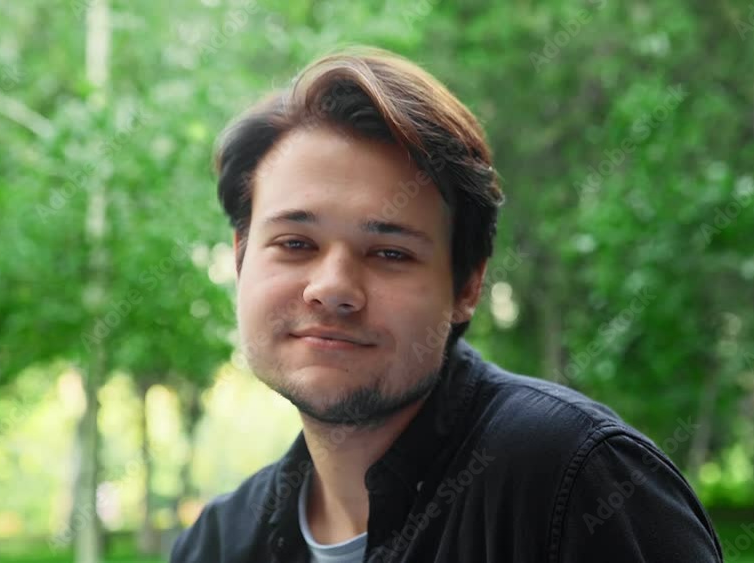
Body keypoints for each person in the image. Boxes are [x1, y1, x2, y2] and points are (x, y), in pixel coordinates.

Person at [170, 45, 723, 563]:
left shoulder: (576, 481)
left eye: (390, 252)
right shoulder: (217, 543)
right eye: (295, 244)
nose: (333, 288)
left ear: (466, 288)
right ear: (241, 258)